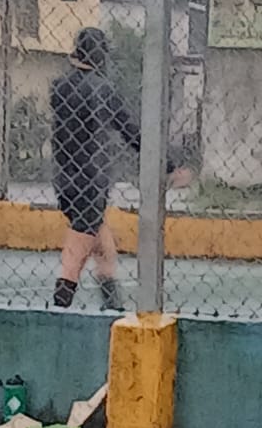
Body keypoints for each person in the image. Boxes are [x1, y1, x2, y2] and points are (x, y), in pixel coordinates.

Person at [50, 26, 188, 311]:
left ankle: (113, 307)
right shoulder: (103, 89)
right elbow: (131, 131)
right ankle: (60, 305)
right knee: (77, 250)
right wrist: (168, 165)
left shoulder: (60, 86)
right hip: (92, 180)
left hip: (64, 177)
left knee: (104, 247)